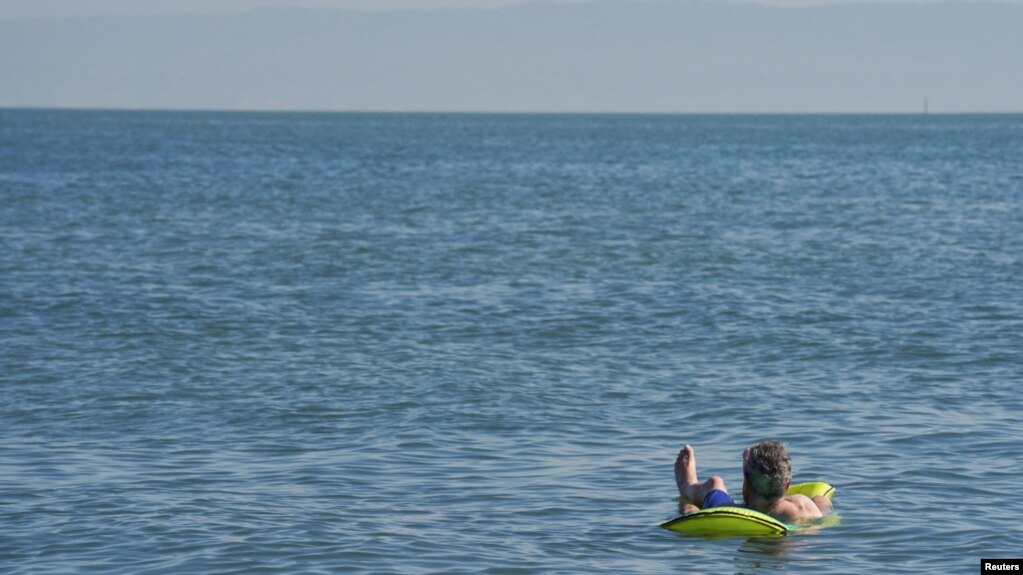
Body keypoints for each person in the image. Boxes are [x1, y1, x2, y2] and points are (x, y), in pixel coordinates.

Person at [674, 440, 833, 524]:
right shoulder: (804, 507)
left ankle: (687, 486)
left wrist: (686, 507)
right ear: (788, 485)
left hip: (742, 508)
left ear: (746, 484)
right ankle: (759, 472)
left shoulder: (723, 511)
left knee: (715, 483)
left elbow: (691, 516)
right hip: (789, 512)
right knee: (820, 500)